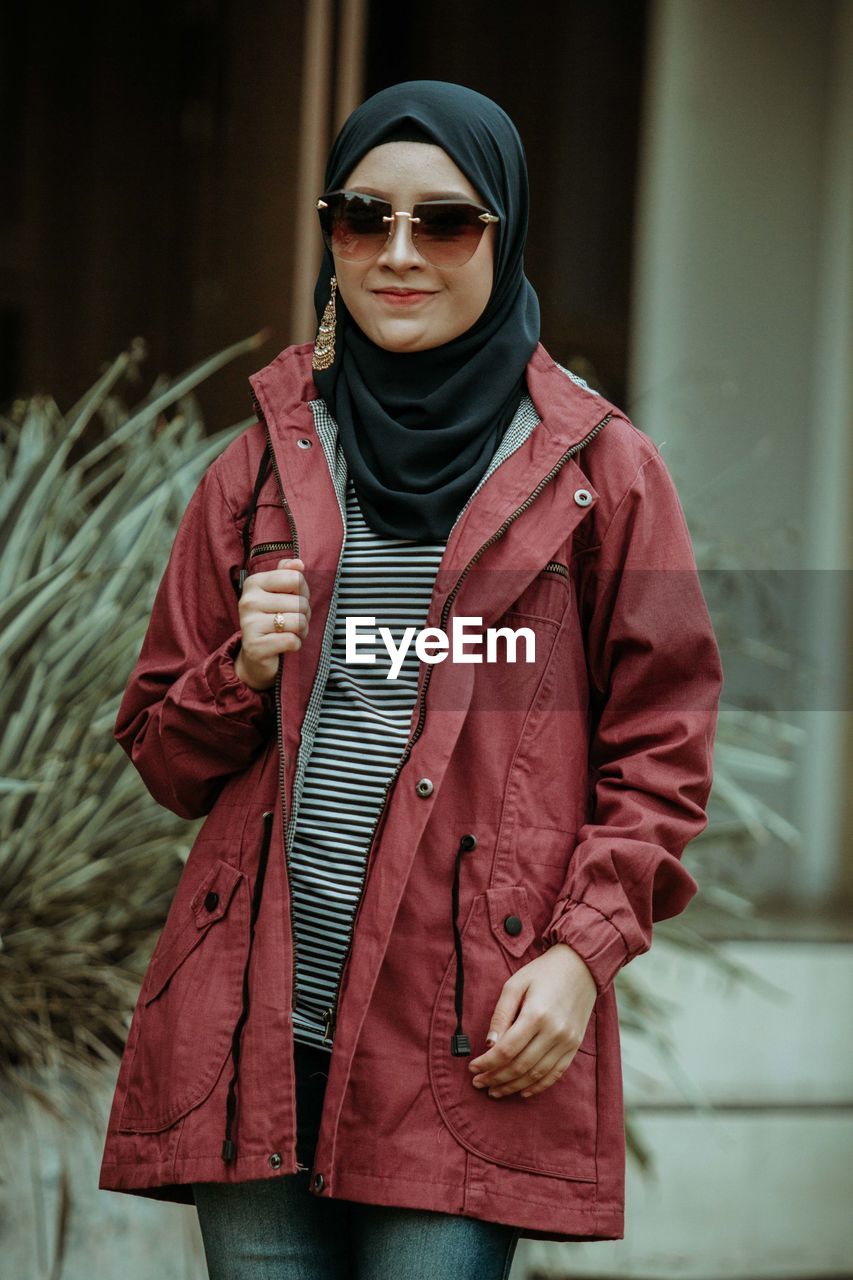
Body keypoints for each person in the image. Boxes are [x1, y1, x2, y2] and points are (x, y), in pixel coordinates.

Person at [98, 81, 723, 1279]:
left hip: (463, 1038)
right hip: (257, 1033)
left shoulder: (603, 473)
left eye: (444, 223)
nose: (396, 254)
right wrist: (245, 666)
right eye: (359, 217)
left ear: (505, 232)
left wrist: (578, 953)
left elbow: (661, 747)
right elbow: (164, 756)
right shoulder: (256, 464)